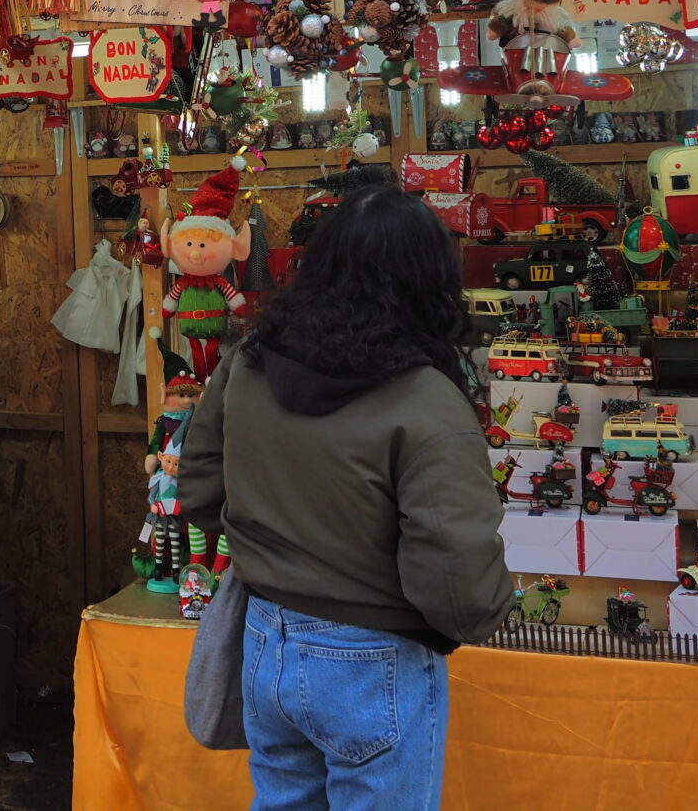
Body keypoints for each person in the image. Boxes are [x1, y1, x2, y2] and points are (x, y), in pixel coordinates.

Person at [179, 187, 513, 809]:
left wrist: (272, 548)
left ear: (320, 264)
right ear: (428, 281)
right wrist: (488, 612)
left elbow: (197, 487)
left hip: (265, 634)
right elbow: (455, 571)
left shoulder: (248, 363)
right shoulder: (426, 398)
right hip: (372, 652)